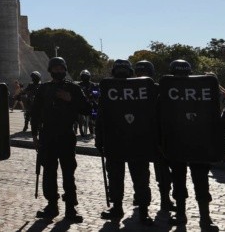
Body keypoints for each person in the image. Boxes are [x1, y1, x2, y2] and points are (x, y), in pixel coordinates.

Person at [31, 56, 89, 223]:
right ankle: (51, 205)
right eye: (55, 69)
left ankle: (70, 207)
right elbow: (35, 113)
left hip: (66, 135)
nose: (58, 71)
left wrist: (70, 99)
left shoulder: (74, 89)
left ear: (65, 70)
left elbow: (87, 109)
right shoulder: (43, 89)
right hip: (47, 135)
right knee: (48, 172)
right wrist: (34, 135)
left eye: (61, 68)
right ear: (50, 70)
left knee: (68, 173)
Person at [96, 60, 153, 225]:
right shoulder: (108, 90)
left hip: (137, 141)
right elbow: (101, 116)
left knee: (141, 179)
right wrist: (99, 139)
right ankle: (117, 207)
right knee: (115, 178)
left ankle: (143, 210)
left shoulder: (142, 88)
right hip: (115, 141)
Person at [166, 60, 219, 231]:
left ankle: (199, 216)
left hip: (192, 143)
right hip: (184, 143)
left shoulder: (169, 89)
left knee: (188, 181)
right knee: (187, 181)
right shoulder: (167, 90)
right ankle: (192, 215)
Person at [134, 60, 176, 213]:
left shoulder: (159, 89)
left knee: (163, 173)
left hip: (158, 136)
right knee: (140, 172)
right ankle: (140, 198)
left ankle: (165, 199)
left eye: (144, 73)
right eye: (139, 73)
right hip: (140, 136)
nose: (141, 76)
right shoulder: (130, 90)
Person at [75, 70, 96, 137]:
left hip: (90, 101)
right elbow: (75, 93)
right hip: (81, 102)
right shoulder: (78, 85)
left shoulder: (93, 84)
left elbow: (97, 92)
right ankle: (75, 127)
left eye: (86, 76)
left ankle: (93, 130)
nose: (85, 77)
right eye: (83, 76)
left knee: (95, 112)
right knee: (74, 111)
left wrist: (93, 95)